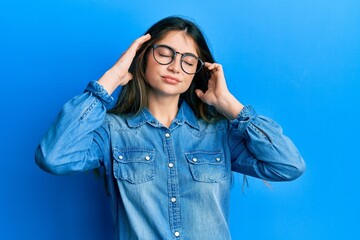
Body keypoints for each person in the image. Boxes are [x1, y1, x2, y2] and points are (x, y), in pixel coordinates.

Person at [35, 16, 306, 240]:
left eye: (188, 61)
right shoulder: (112, 131)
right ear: (142, 57)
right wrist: (113, 77)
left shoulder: (218, 133)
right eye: (164, 54)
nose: (175, 66)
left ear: (196, 72)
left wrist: (229, 104)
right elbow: (53, 157)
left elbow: (288, 165)